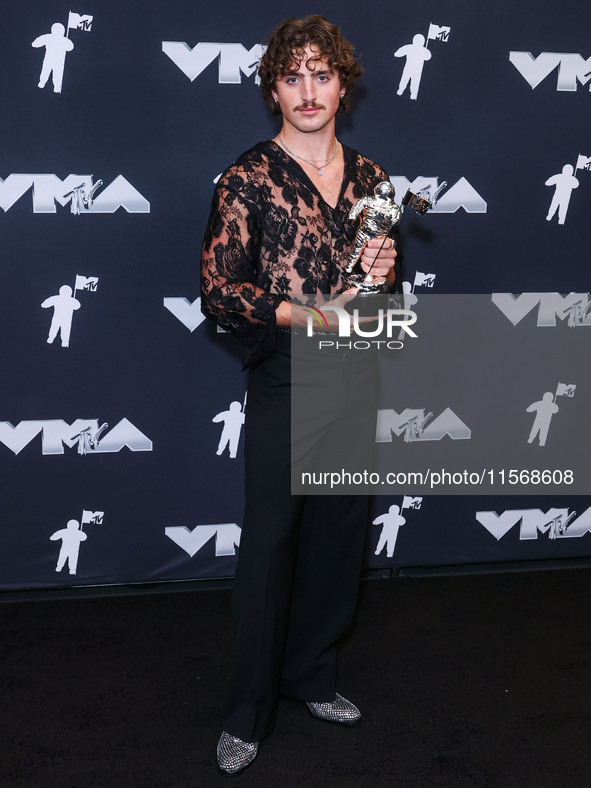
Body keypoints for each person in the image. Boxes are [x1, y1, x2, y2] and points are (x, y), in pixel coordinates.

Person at [200, 15, 399, 775]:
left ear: (342, 85)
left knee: (338, 537)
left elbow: (379, 297)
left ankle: (311, 676)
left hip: (356, 369)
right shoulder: (248, 177)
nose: (308, 89)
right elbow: (219, 292)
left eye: (321, 73)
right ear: (273, 89)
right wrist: (310, 312)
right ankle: (246, 712)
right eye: (293, 75)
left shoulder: (373, 177)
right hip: (288, 368)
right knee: (271, 545)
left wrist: (380, 282)